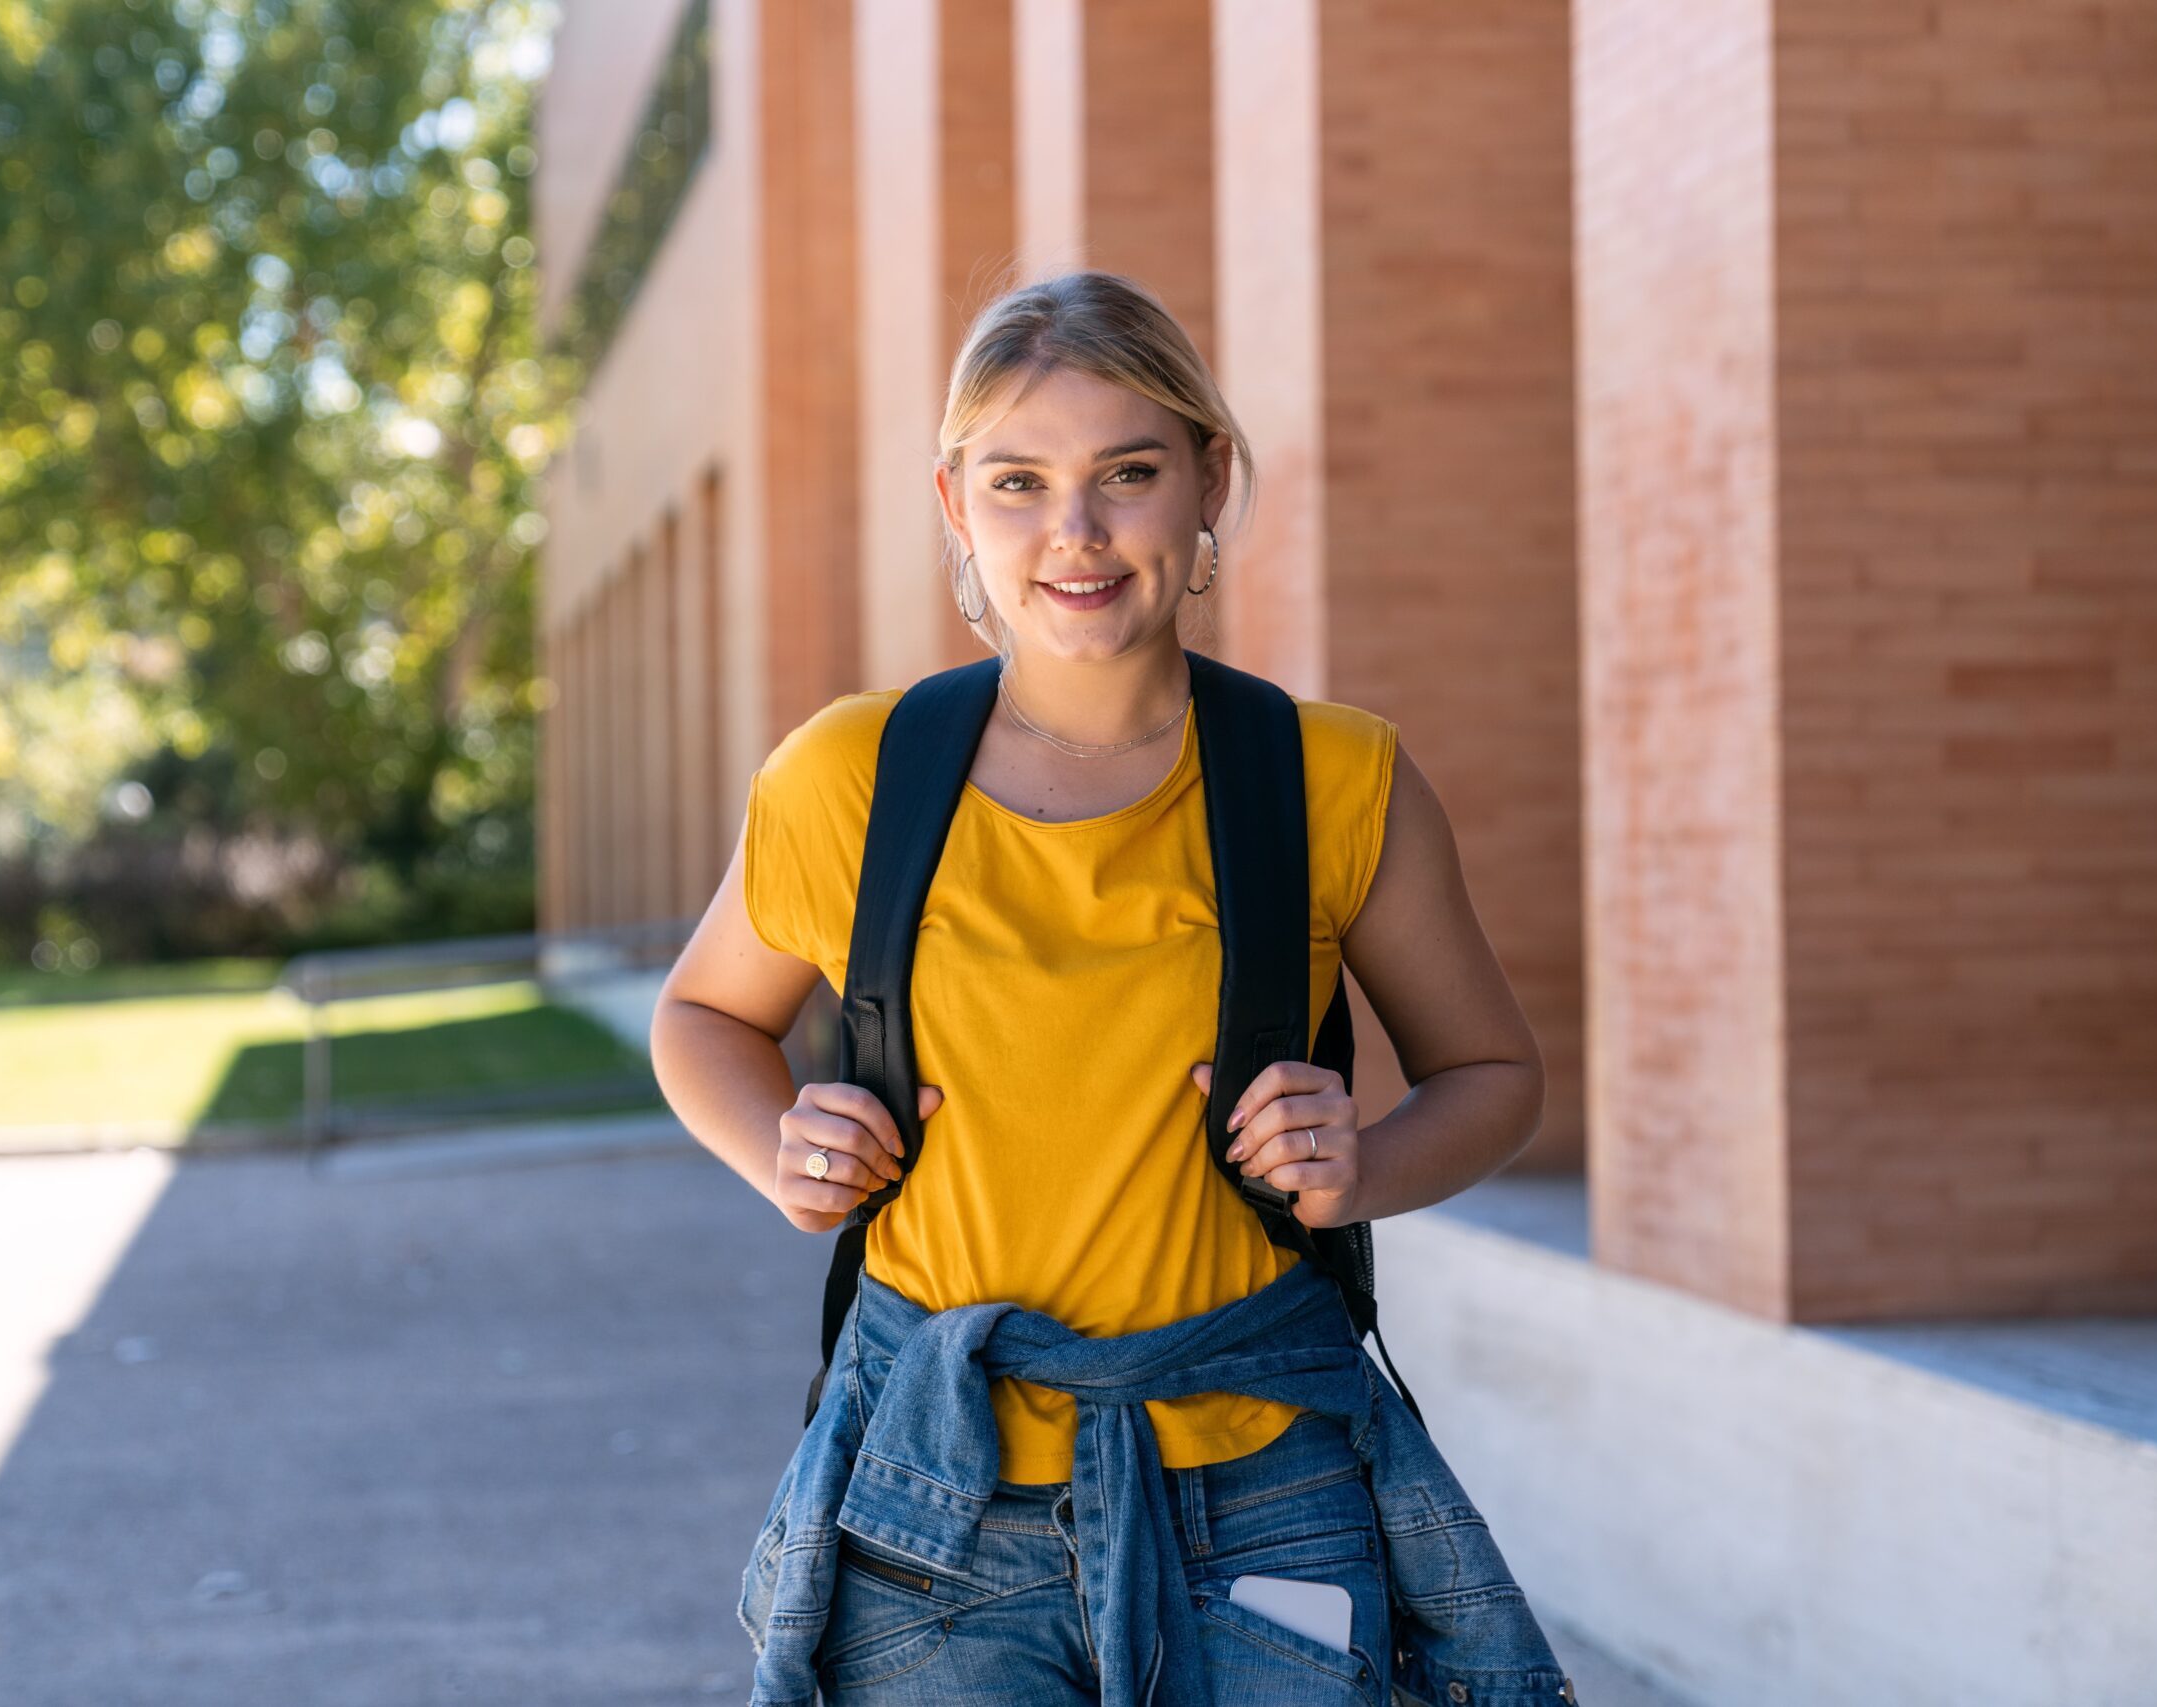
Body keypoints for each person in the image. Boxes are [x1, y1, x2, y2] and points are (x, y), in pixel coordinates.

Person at [650, 271, 1572, 1705]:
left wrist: (1366, 1163)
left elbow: (1496, 1079)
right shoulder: (851, 779)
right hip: (935, 1511)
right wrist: (782, 1149)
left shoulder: (1333, 779)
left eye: (1127, 474)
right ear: (956, 506)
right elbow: (702, 1017)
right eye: (1019, 482)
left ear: (1210, 479)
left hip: (1267, 1488)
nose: (1073, 533)